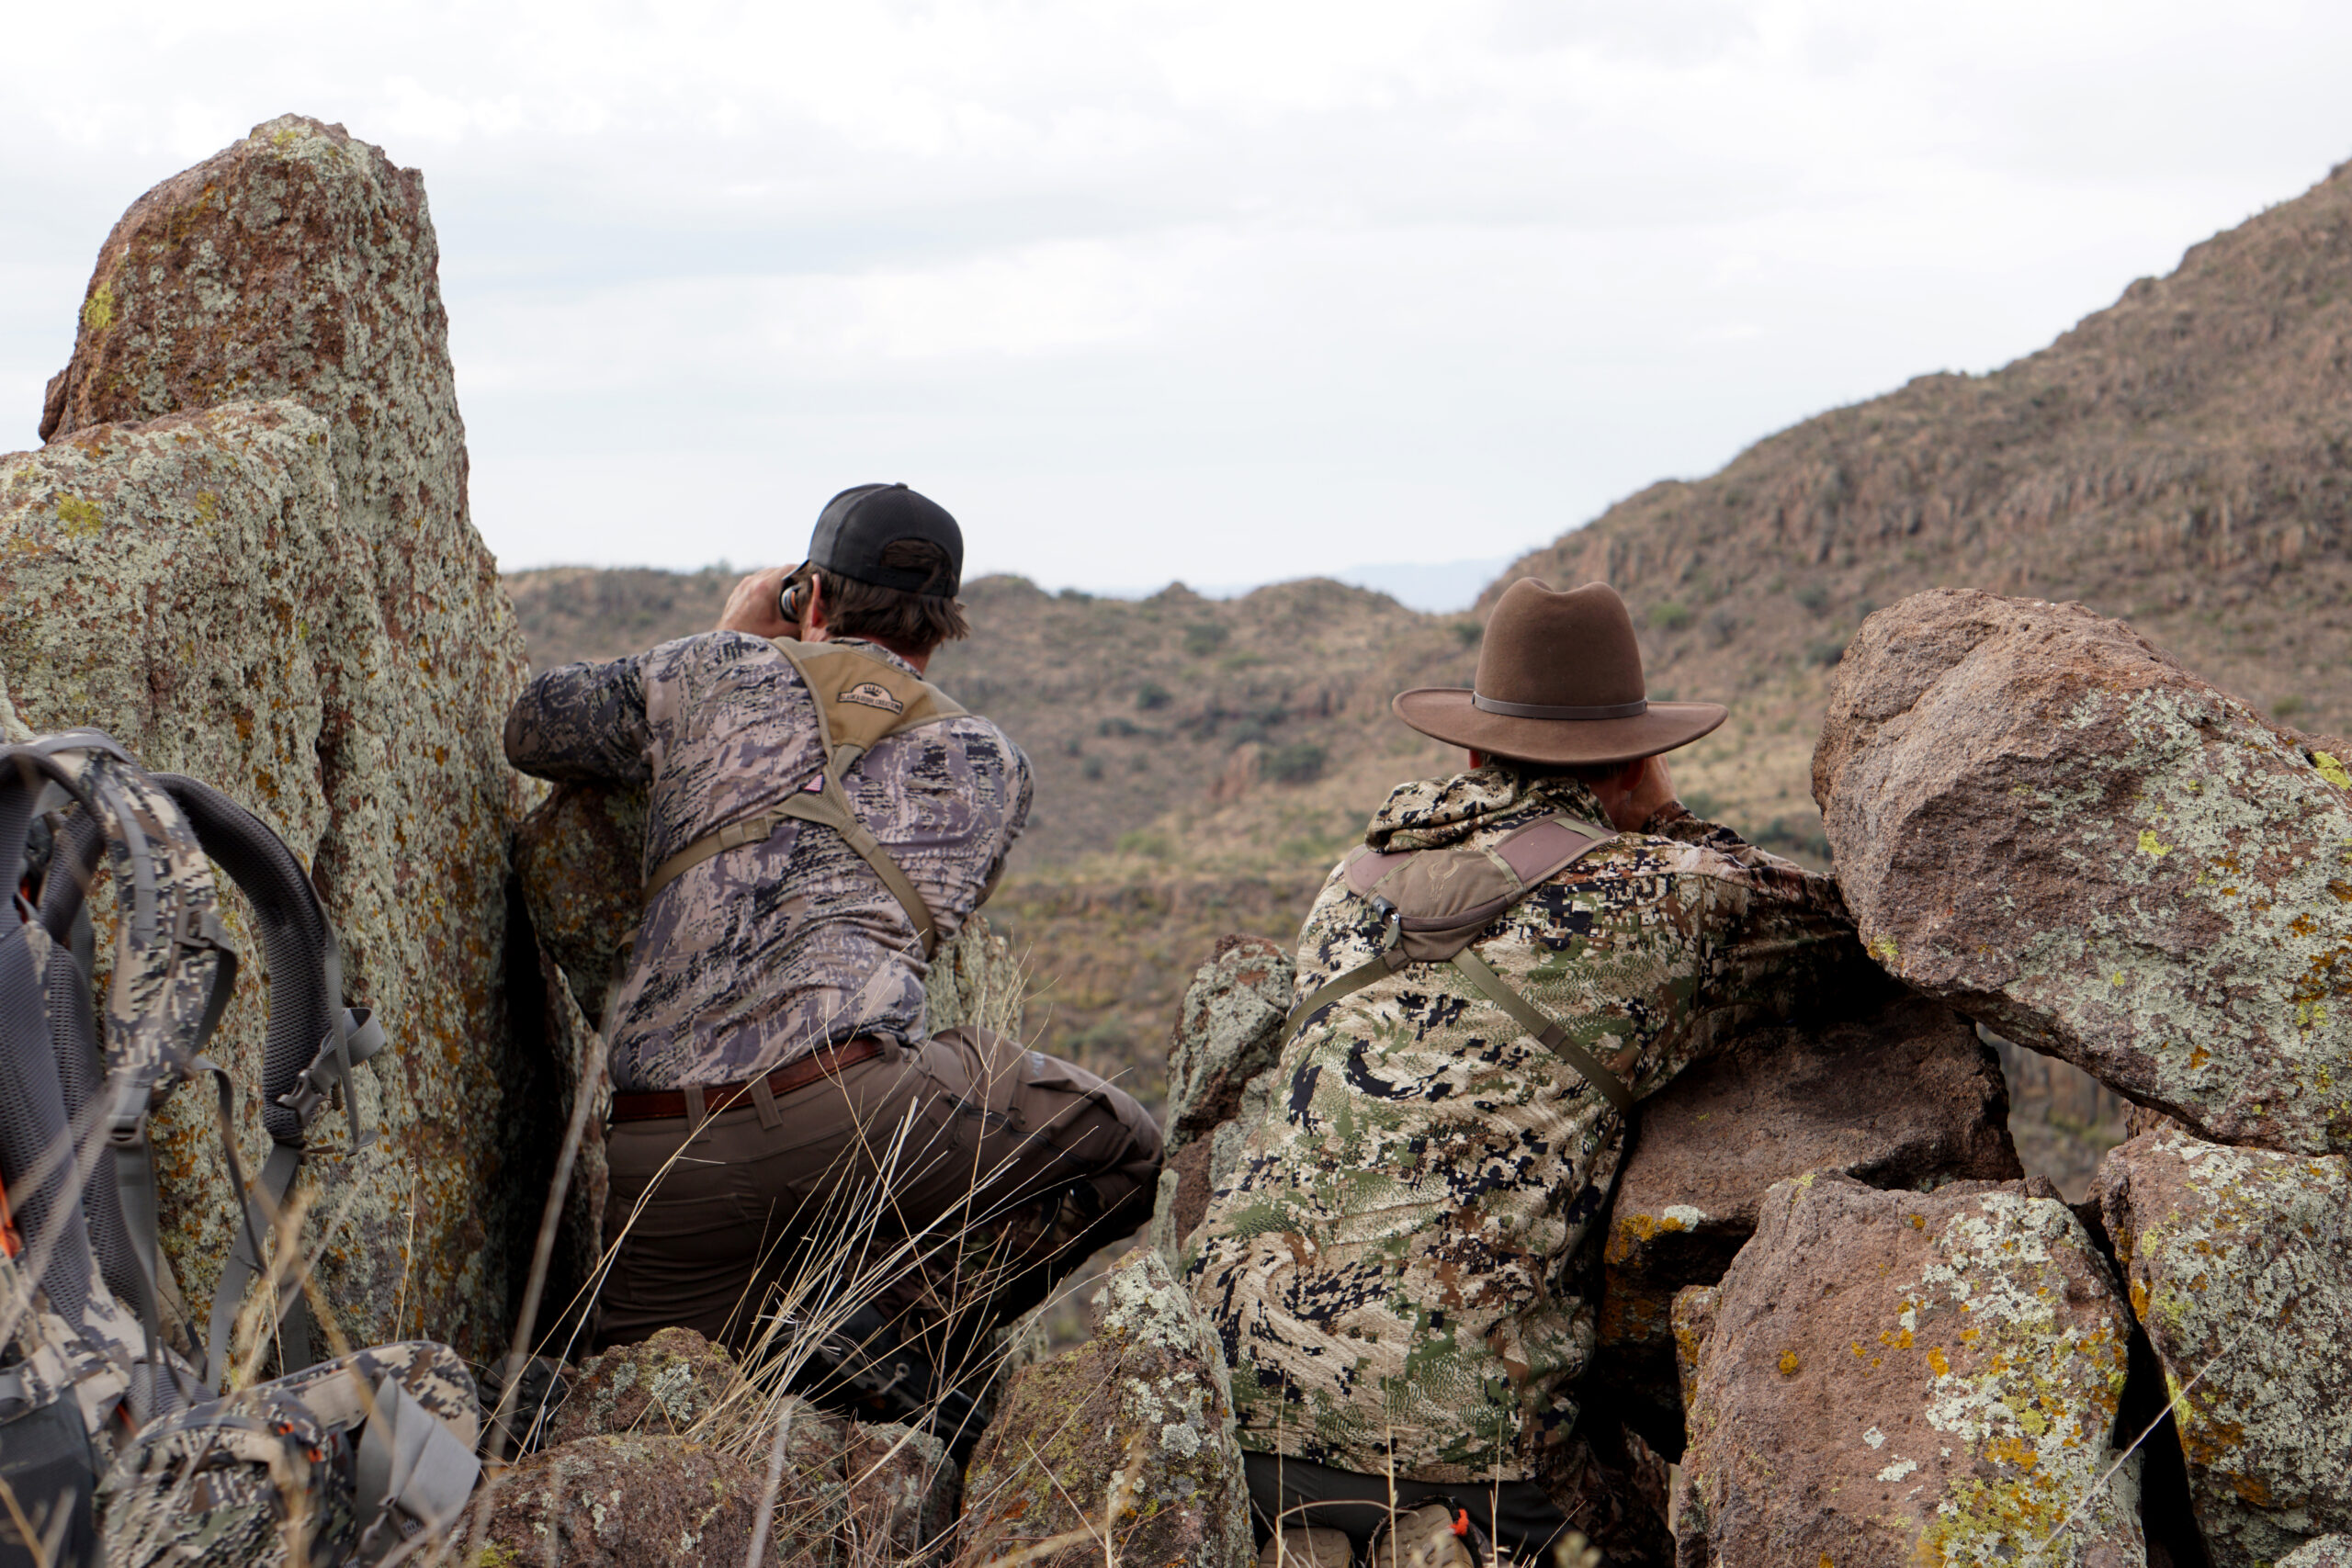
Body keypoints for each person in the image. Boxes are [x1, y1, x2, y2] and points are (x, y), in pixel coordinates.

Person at [1185, 578, 1871, 1563]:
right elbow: (1858, 934)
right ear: (1635, 756)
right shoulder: (1660, 898)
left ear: (1468, 750)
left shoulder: (1348, 886)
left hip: (1229, 1411)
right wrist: (1667, 820)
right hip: (1455, 1449)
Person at [503, 482, 1162, 1415]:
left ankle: (781, 1356)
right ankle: (878, 1331)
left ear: (809, 596)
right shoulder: (990, 763)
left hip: (666, 1158)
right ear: (945, 627)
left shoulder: (715, 670)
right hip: (864, 1119)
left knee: (644, 1413)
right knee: (1127, 1150)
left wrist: (734, 634)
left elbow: (532, 729)